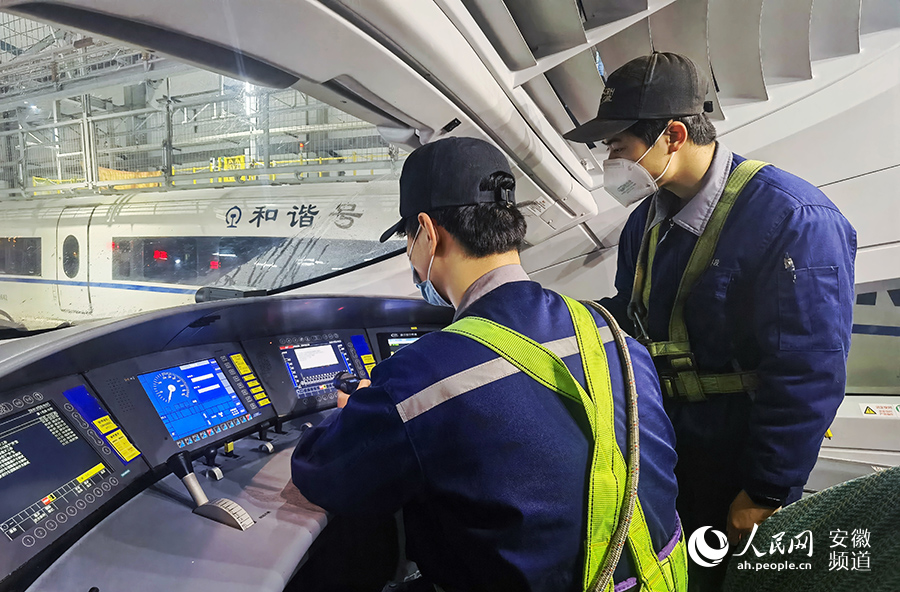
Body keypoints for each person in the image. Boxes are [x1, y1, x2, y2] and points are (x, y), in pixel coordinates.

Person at [291, 137, 687, 592]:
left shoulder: (423, 379)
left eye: (407, 238)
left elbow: (324, 472)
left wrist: (359, 410)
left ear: (427, 231)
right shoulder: (612, 334)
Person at [564, 52, 856, 590]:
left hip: (736, 462)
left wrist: (765, 490)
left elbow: (809, 373)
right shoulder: (643, 224)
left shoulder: (794, 220)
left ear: (673, 135)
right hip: (668, 452)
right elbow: (631, 315)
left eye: (617, 147)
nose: (610, 163)